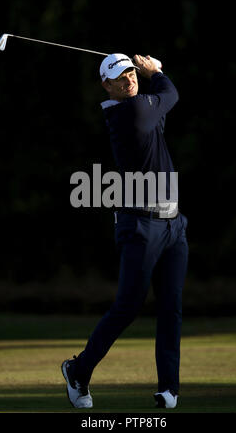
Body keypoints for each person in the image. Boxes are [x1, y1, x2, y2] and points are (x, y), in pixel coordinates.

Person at [61, 53, 189, 409]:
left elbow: (163, 103)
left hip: (173, 224)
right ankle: (78, 370)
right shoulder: (129, 112)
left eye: (132, 72)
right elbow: (171, 94)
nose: (129, 78)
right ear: (107, 86)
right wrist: (157, 71)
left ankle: (169, 389)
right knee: (128, 306)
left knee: (171, 306)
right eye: (120, 76)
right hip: (141, 224)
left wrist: (150, 76)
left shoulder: (142, 107)